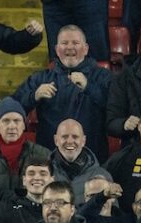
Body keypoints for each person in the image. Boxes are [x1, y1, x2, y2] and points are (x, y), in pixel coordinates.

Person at [13, 25, 112, 160]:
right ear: (57, 50)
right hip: (48, 161)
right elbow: (12, 108)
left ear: (86, 49)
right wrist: (34, 96)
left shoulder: (103, 77)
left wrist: (89, 88)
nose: (70, 47)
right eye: (64, 43)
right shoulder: (40, 78)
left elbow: (116, 109)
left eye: (75, 43)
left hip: (92, 159)